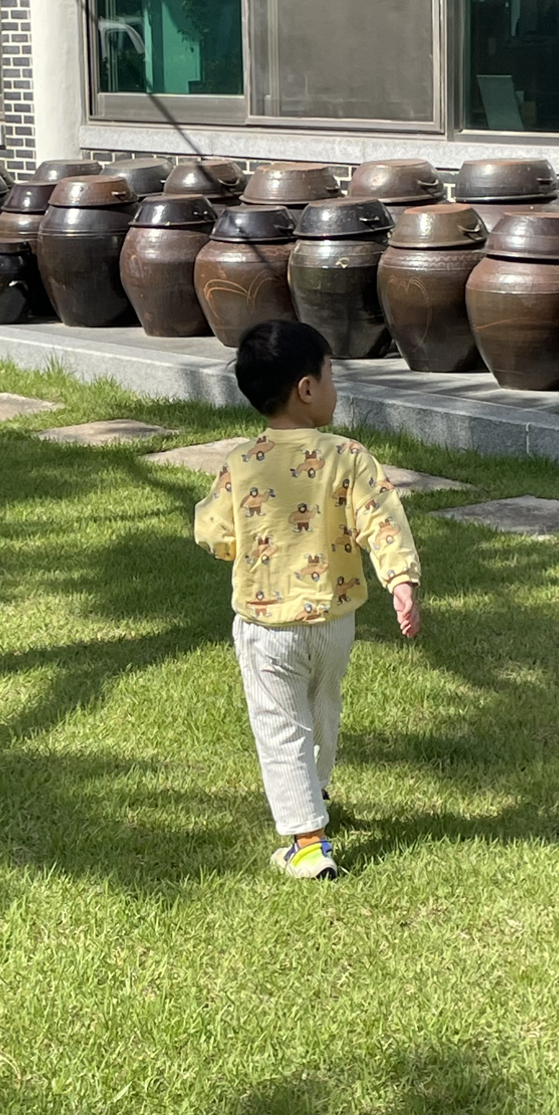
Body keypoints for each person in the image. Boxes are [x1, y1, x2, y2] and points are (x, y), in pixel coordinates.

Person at [194, 321, 421, 882]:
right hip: (333, 621)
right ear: (306, 388)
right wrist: (400, 580)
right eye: (331, 376)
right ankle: (313, 792)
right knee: (322, 708)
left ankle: (306, 842)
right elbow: (382, 521)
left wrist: (236, 542)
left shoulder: (242, 463)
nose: (335, 388)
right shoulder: (349, 456)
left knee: (280, 724)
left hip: (267, 625)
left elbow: (213, 532)